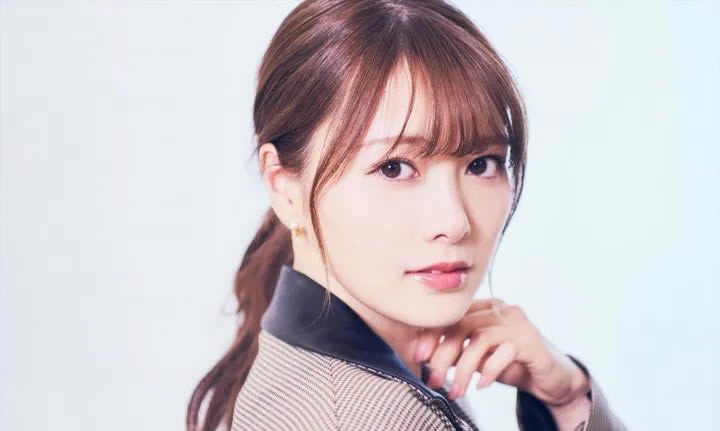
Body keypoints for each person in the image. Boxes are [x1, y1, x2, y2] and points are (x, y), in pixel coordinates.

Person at [187, 1, 628, 430]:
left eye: (481, 164)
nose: (454, 222)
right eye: (394, 168)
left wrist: (566, 397)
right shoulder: (363, 415)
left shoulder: (361, 370)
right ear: (284, 187)